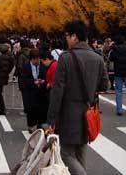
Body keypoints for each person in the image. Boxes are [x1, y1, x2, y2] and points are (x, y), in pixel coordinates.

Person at [47, 20, 108, 175]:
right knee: (81, 152)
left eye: (67, 35)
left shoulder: (66, 58)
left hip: (69, 113)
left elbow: (57, 91)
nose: (66, 39)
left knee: (66, 154)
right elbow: (104, 86)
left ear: (74, 36)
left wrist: (52, 119)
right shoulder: (98, 58)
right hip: (88, 112)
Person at [108, 36, 126, 116]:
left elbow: (110, 59)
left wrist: (112, 46)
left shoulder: (114, 50)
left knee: (118, 92)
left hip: (118, 73)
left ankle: (119, 110)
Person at [22, 48, 48, 132]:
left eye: (38, 58)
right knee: (31, 109)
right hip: (30, 91)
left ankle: (40, 126)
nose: (37, 61)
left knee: (41, 109)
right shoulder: (26, 66)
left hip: (41, 91)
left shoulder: (44, 66)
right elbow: (24, 79)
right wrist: (34, 82)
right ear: (31, 59)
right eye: (35, 59)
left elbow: (46, 78)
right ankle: (31, 125)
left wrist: (42, 81)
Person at [0, 38, 15, 115]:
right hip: (3, 75)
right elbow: (12, 63)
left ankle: (1, 108)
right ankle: (0, 108)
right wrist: (7, 71)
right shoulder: (8, 52)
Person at [15, 40, 32, 115]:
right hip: (31, 76)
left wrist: (16, 74)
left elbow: (19, 66)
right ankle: (31, 109)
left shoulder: (21, 55)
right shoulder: (32, 53)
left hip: (23, 77)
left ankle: (26, 110)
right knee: (31, 94)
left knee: (25, 94)